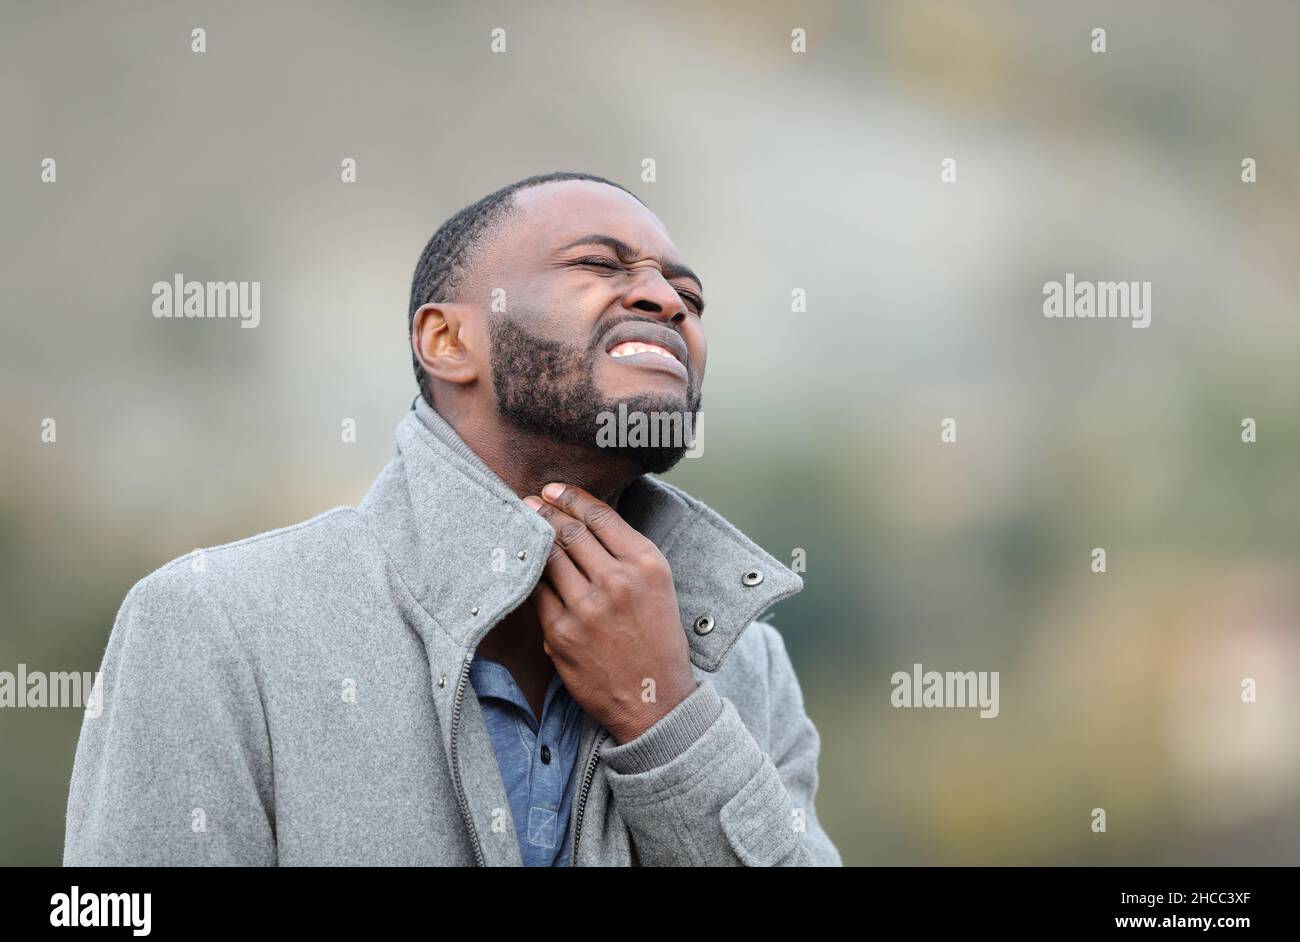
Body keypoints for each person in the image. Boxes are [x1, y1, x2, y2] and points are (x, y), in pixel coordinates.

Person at [63, 172, 842, 866]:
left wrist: (665, 715)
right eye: (598, 265)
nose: (666, 300)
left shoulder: (746, 666)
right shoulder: (216, 623)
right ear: (446, 340)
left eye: (690, 298)